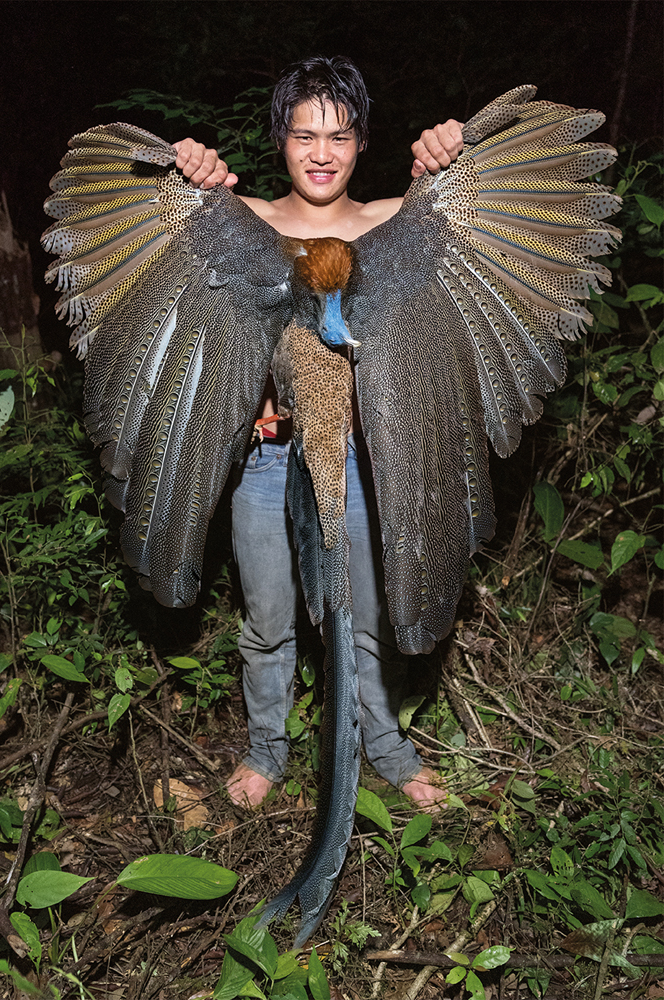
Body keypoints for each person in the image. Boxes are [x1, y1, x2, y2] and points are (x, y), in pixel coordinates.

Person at [171, 57, 463, 813]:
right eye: (304, 136)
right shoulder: (250, 223)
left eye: (338, 135)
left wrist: (459, 154)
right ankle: (266, 749)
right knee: (267, 621)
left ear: (362, 142)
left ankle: (386, 748)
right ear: (280, 142)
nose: (321, 153)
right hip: (270, 465)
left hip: (370, 465)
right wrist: (184, 177)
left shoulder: (397, 221)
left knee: (364, 622)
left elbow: (474, 217)